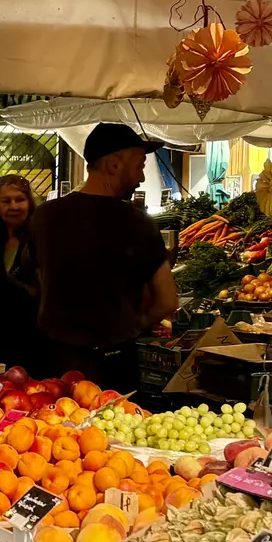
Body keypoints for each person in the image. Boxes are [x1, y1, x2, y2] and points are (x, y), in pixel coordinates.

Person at [31, 124, 179, 391]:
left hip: (57, 362)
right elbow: (167, 300)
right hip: (114, 363)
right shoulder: (137, 222)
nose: (142, 178)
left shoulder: (44, 216)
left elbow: (39, 279)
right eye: (139, 165)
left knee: (55, 430)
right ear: (113, 164)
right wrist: (138, 323)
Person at [0, 174, 45, 362]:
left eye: (20, 199)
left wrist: (6, 283)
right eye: (6, 201)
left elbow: (41, 293)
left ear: (29, 203)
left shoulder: (39, 240)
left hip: (30, 341)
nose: (13, 206)